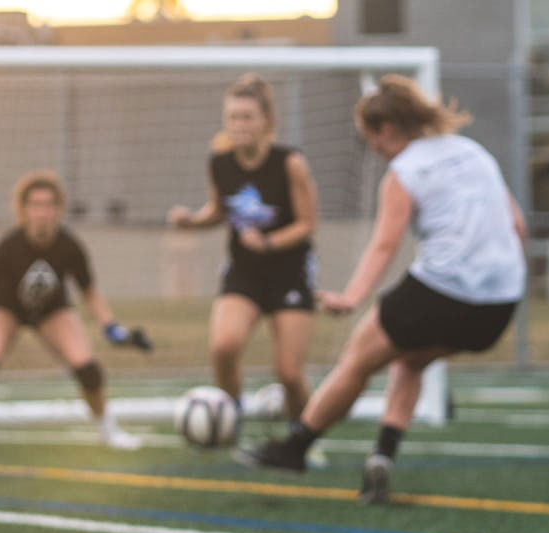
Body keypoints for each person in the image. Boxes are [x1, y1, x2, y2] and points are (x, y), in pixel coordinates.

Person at [237, 76, 526, 506]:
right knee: (410, 360)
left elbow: (385, 245)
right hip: (500, 304)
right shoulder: (473, 152)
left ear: (387, 130)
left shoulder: (404, 171)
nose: (369, 146)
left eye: (367, 137)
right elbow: (518, 225)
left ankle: (295, 448)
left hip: (443, 290)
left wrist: (352, 298)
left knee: (357, 360)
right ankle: (382, 458)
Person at [0, 170, 151, 454]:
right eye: (36, 205)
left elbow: (89, 291)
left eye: (49, 205)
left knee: (88, 369)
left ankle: (108, 431)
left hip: (52, 309)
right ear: (23, 210)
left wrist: (112, 328)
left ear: (59, 209)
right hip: (6, 308)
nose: (43, 212)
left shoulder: (69, 246)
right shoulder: (9, 245)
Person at [168, 73, 321, 427]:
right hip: (244, 272)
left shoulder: (290, 163)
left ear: (266, 120)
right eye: (233, 117)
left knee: (289, 373)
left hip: (290, 273)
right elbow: (218, 212)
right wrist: (191, 221)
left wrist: (268, 242)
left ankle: (303, 436)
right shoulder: (219, 163)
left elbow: (307, 223)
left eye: (247, 117)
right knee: (224, 347)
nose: (239, 125)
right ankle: (229, 418)